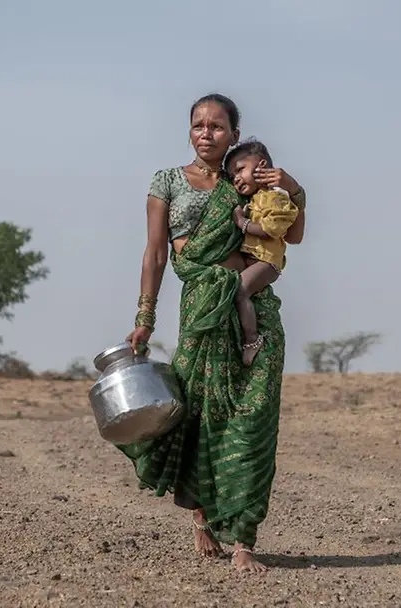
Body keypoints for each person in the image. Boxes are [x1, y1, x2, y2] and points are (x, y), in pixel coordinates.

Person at [119, 93, 308, 573]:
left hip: (254, 310)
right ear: (189, 131)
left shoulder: (243, 181)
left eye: (217, 126)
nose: (207, 133)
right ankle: (201, 515)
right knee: (200, 415)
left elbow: (293, 233)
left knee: (253, 418)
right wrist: (145, 316)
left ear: (234, 135)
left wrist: (293, 187)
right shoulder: (167, 182)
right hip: (204, 310)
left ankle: (243, 539)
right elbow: (156, 253)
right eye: (199, 125)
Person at [223, 140, 300, 366]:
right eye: (232, 176)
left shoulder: (276, 198)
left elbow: (270, 229)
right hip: (253, 258)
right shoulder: (252, 200)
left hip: (266, 261)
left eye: (240, 170)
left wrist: (242, 223)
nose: (237, 179)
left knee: (240, 290)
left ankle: (252, 340)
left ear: (262, 166)